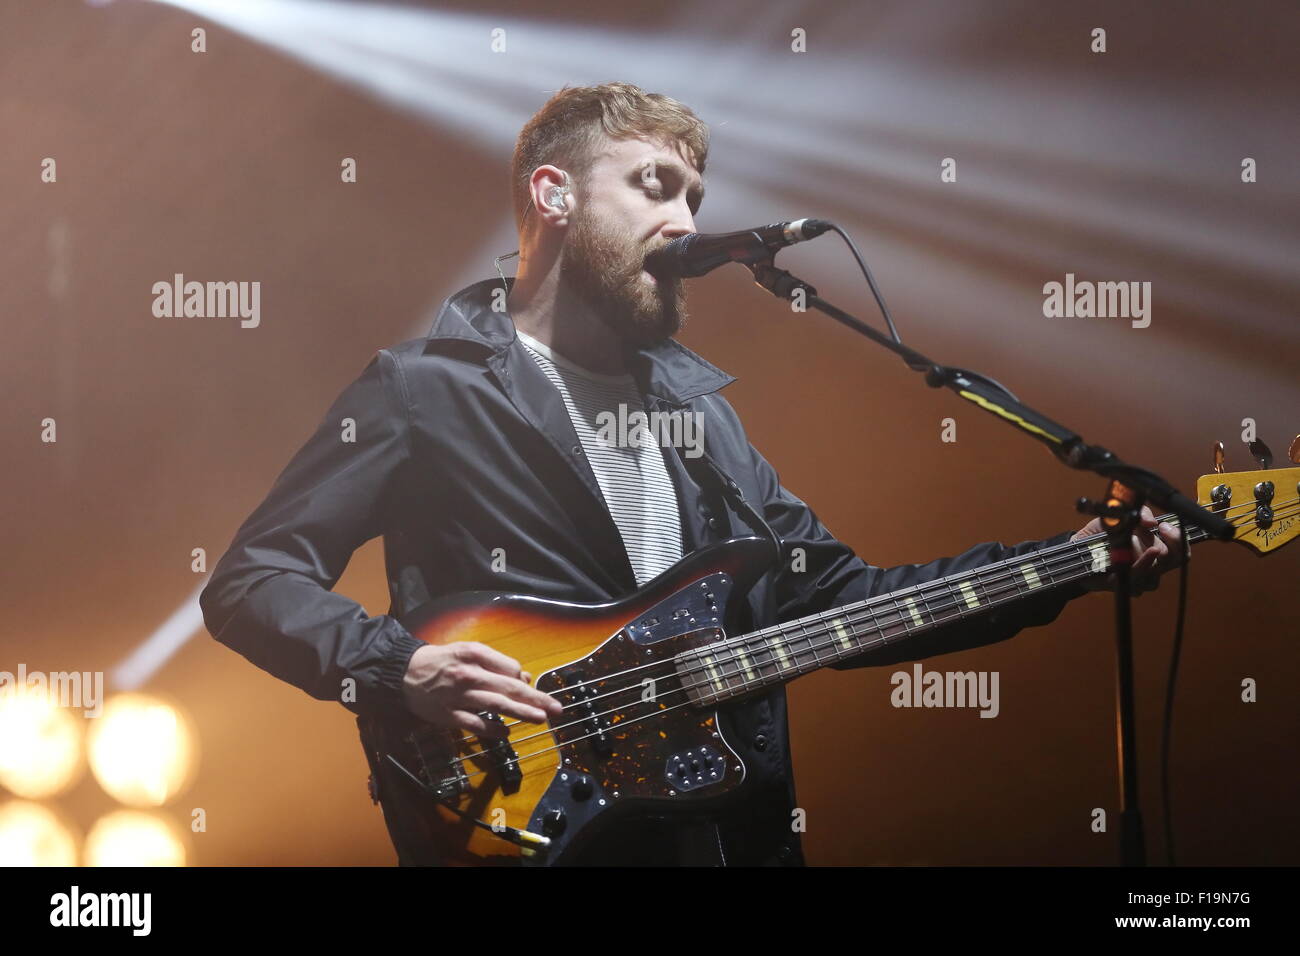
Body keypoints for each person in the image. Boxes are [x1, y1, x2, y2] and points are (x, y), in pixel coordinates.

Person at [199, 82, 1181, 866]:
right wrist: (396, 663)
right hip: (519, 814)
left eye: (696, 200)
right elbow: (251, 578)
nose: (683, 221)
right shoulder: (421, 388)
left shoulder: (700, 416)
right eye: (654, 186)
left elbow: (838, 598)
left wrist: (1082, 558)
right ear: (553, 194)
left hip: (722, 833)